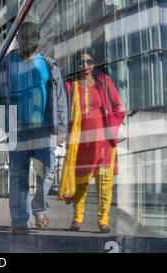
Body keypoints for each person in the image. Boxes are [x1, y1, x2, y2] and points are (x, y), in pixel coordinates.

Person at [0, 21, 68, 234]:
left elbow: (60, 99)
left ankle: (38, 205)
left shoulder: (49, 65)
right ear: (18, 38)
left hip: (44, 129)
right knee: (18, 176)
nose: (28, 41)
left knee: (48, 172)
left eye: (33, 37)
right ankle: (20, 222)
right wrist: (6, 123)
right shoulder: (6, 64)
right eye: (24, 37)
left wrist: (61, 129)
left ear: (38, 39)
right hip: (17, 131)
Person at [60, 49, 125, 233]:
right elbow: (62, 111)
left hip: (103, 143)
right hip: (80, 143)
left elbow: (118, 107)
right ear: (76, 66)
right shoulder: (70, 86)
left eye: (89, 61)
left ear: (94, 63)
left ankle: (103, 220)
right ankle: (77, 218)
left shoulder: (103, 81)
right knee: (80, 183)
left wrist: (113, 127)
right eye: (81, 63)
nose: (85, 66)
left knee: (105, 183)